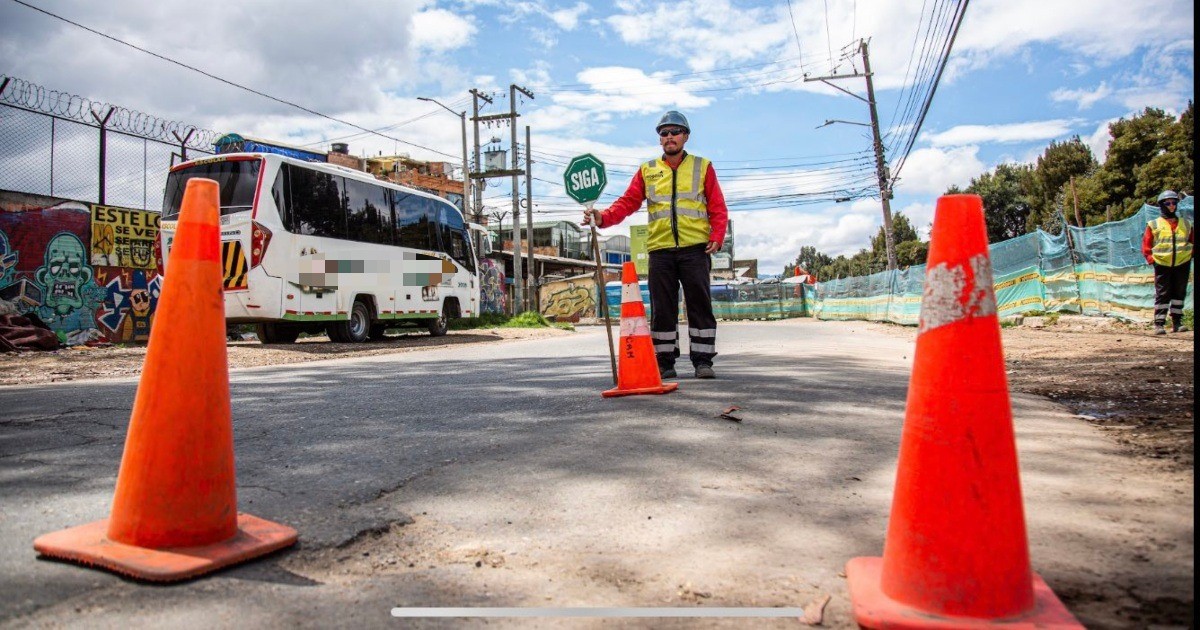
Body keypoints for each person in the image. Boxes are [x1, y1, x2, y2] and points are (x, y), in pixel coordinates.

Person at [583, 111, 728, 379]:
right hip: (660, 251)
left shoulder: (702, 166)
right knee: (663, 308)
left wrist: (717, 236)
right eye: (664, 133)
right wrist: (603, 217)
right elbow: (627, 202)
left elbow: (717, 207)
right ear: (660, 139)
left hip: (695, 249)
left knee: (699, 305)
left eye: (675, 132)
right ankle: (665, 362)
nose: (669, 137)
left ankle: (703, 361)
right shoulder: (647, 170)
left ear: (685, 136)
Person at [1141, 190, 1193, 334]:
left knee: (1179, 293)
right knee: (1163, 293)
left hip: (1182, 263)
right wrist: (1152, 260)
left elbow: (1191, 241)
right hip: (1162, 264)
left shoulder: (1186, 224)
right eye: (1168, 203)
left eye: (1174, 202)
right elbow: (1146, 245)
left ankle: (1177, 322)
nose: (1172, 206)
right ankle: (1159, 324)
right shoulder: (1154, 224)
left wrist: (1189, 256)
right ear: (1162, 205)